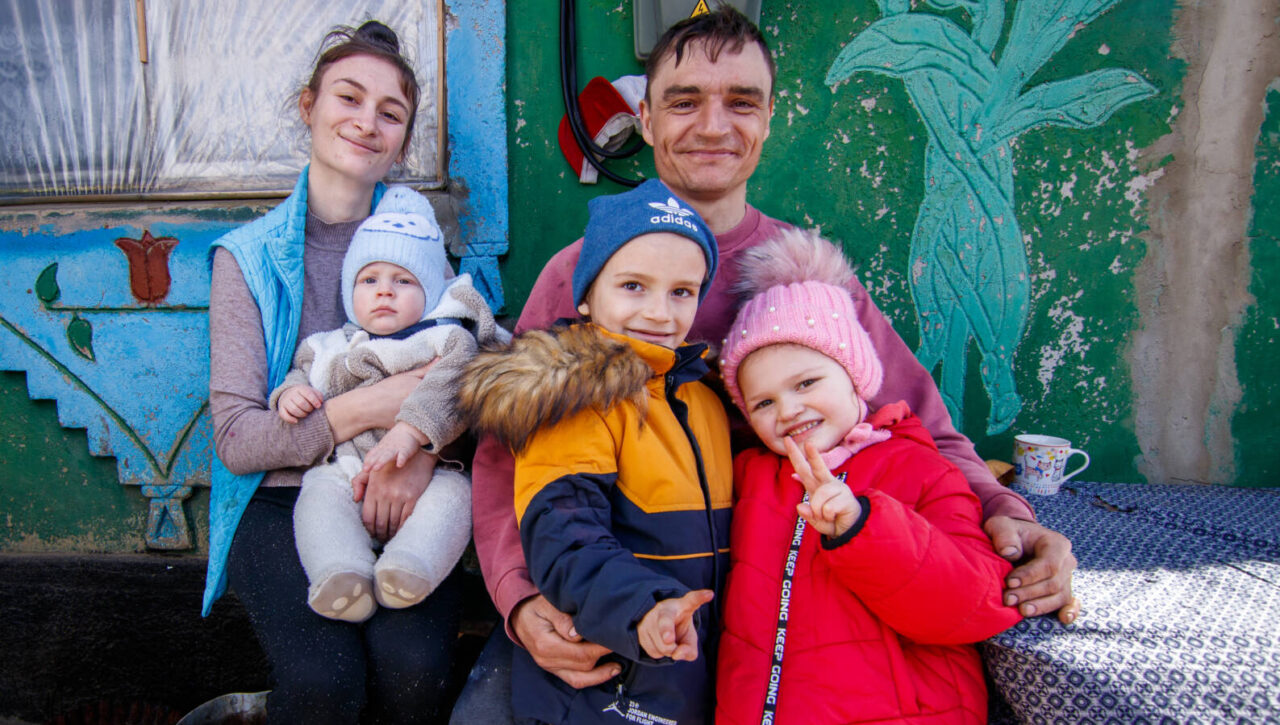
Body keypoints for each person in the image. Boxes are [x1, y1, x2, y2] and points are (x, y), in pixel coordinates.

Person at [455, 6, 1078, 721]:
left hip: (784, 608)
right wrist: (520, 597)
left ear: (770, 118)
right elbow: (509, 452)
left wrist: (1006, 512)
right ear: (648, 119)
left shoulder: (805, 277)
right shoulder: (583, 274)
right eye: (684, 101)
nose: (715, 125)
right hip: (605, 603)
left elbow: (921, 427)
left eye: (741, 102)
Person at [205, 22, 462, 723]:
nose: (366, 122)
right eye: (348, 98)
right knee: (324, 682)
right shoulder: (247, 260)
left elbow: (479, 378)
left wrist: (422, 451)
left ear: (404, 140)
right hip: (284, 499)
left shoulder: (425, 244)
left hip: (408, 489)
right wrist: (373, 404)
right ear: (308, 107)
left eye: (391, 112)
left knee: (414, 670)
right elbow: (238, 438)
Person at [714, 228, 1023, 724]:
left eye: (807, 382)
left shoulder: (919, 468)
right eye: (764, 402)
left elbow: (979, 606)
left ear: (855, 375)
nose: (789, 409)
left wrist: (864, 529)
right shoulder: (751, 478)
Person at [458, 179, 730, 724]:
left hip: (679, 670)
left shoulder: (703, 398)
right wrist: (644, 608)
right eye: (633, 285)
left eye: (681, 291)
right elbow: (565, 542)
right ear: (585, 296)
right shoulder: (577, 399)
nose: (658, 312)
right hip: (600, 682)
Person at [270, 186, 506, 622]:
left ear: (432, 291)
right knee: (317, 494)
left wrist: (410, 430)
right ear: (349, 291)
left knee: (454, 499)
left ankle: (411, 567)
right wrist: (289, 395)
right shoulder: (331, 345)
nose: (384, 292)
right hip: (348, 468)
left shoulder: (444, 336)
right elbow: (303, 373)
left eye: (403, 280)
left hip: (428, 469)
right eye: (369, 280)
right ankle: (341, 572)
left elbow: (456, 383)